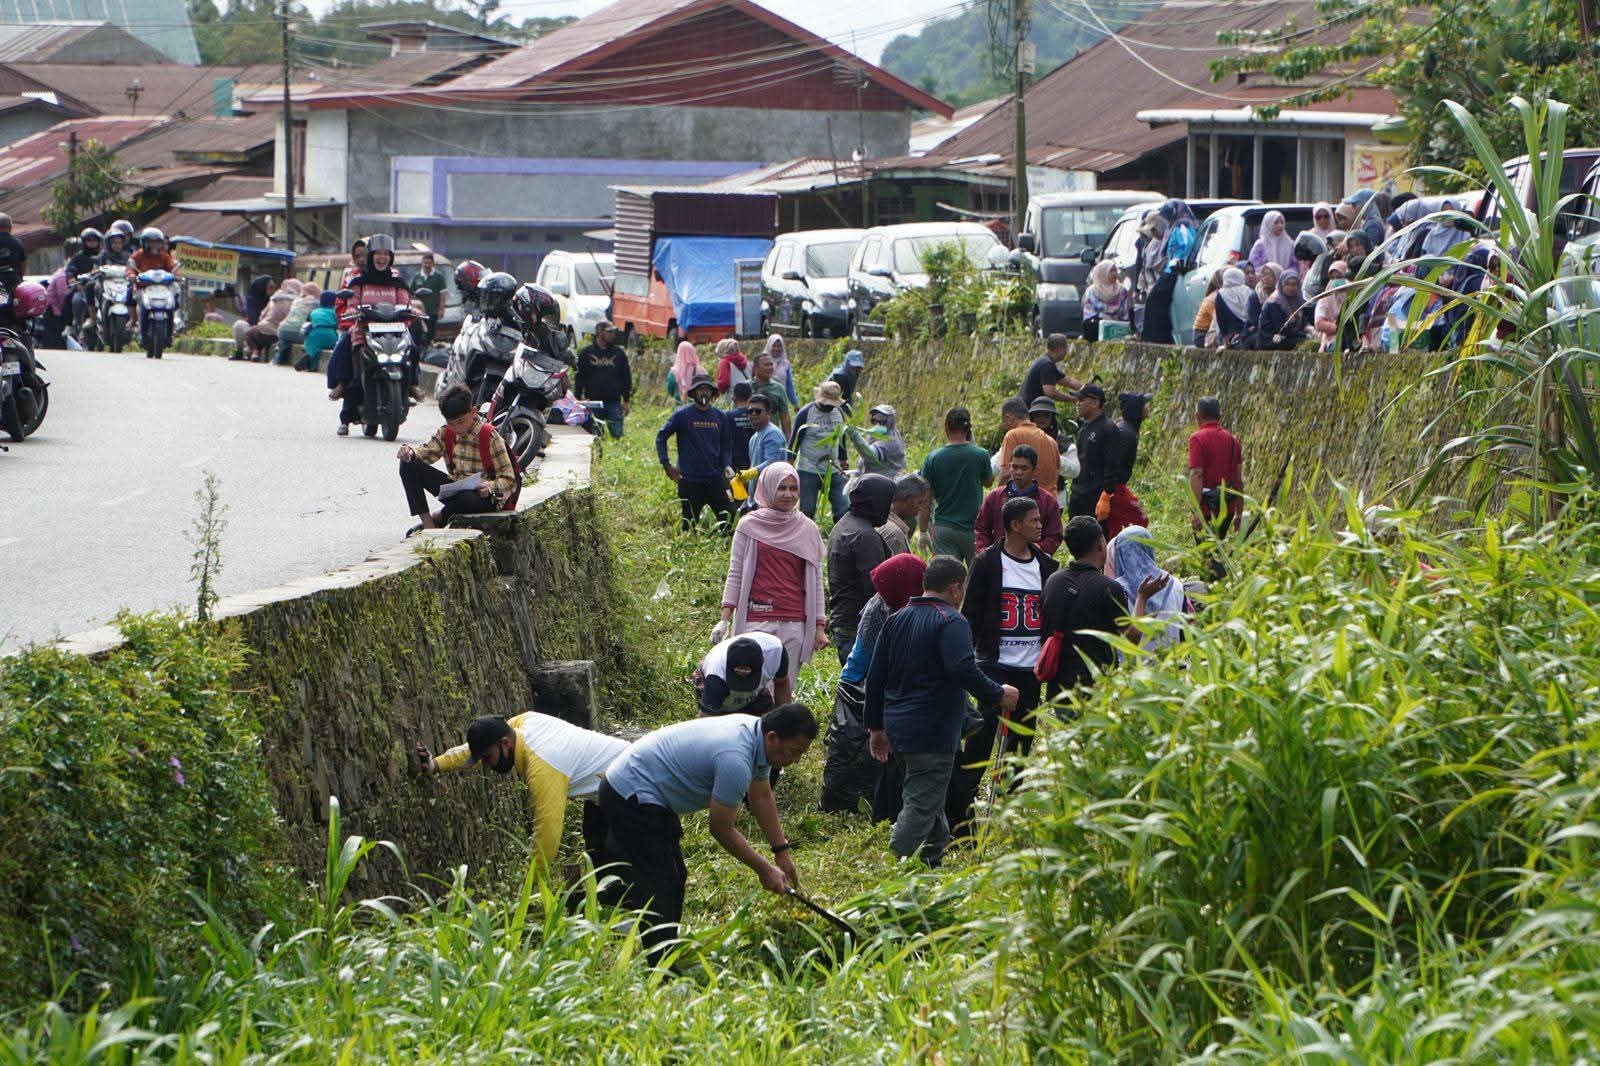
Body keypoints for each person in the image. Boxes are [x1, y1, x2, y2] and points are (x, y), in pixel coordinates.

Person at [598, 705, 816, 963]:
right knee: (662, 880)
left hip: (647, 793)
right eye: (795, 752)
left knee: (674, 875)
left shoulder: (757, 736)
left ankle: (663, 948)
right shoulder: (736, 757)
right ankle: (660, 965)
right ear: (773, 738)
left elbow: (761, 794)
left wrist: (781, 851)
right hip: (629, 793)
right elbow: (721, 828)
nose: (796, 760)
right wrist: (764, 869)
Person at [865, 556, 1019, 865]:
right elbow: (962, 668)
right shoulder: (951, 621)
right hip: (932, 730)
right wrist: (997, 693)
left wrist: (876, 728)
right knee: (921, 805)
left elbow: (876, 677)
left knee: (928, 799)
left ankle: (931, 865)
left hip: (899, 727)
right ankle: (892, 870)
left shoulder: (896, 619)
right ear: (956, 589)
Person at [952, 495, 1059, 833]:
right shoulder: (986, 562)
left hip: (1030, 669)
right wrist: (968, 656)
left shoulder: (1046, 566)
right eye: (1033, 520)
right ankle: (962, 813)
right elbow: (970, 613)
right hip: (993, 664)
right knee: (981, 738)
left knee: (1021, 741)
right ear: (1014, 525)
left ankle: (1009, 809)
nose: (1040, 526)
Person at [413, 711, 628, 873]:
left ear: (506, 744)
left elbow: (547, 837)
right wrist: (436, 765)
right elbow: (477, 749)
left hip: (632, 787)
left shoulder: (543, 766)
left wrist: (529, 892)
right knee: (598, 851)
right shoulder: (521, 725)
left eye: (487, 758)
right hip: (606, 788)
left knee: (621, 859)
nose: (486, 765)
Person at [822, 553, 927, 814]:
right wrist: (848, 694)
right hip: (876, 691)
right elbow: (861, 658)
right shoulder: (879, 609)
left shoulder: (926, 613)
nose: (881, 595)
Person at [717, 462, 826, 683]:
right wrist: (725, 619)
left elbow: (816, 581)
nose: (788, 494)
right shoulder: (748, 526)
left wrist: (819, 627)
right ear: (767, 487)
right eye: (781, 487)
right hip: (756, 619)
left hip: (795, 623)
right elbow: (736, 571)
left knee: (784, 690)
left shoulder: (808, 529)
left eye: (793, 488)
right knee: (754, 690)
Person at [1039, 516, 1169, 700]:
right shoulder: (1109, 587)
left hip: (1061, 688)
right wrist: (1141, 598)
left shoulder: (1053, 581)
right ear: (1100, 542)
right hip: (1098, 688)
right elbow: (1132, 637)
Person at [397, 383, 515, 533]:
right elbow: (426, 451)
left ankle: (442, 516)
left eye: (460, 421)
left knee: (467, 498)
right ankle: (428, 525)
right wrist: (410, 452)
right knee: (408, 464)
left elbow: (509, 480)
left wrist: (490, 487)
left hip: (482, 497)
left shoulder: (490, 437)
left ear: (473, 412)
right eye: (451, 423)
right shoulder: (446, 433)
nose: (457, 428)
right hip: (454, 490)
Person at [825, 473, 894, 663]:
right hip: (860, 627)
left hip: (844, 622)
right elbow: (877, 586)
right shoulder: (864, 535)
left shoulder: (844, 523)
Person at [655, 371, 733, 529]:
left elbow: (725, 446)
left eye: (707, 389)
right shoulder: (682, 415)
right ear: (693, 393)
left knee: (728, 523)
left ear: (712, 393)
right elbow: (661, 437)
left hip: (716, 480)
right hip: (690, 481)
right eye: (700, 389)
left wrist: (726, 465)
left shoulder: (721, 417)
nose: (704, 392)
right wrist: (666, 465)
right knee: (689, 527)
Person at [918, 406, 994, 564]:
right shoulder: (981, 455)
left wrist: (923, 530)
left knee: (947, 580)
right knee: (975, 581)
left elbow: (926, 500)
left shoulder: (932, 458)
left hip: (944, 528)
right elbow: (988, 482)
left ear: (946, 427)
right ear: (969, 429)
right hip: (973, 529)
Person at [1108, 526, 1189, 652]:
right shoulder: (1175, 584)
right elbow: (1184, 631)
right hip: (1171, 664)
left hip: (1134, 669)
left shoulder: (1115, 588)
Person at [975, 445, 1063, 556]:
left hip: (1032, 564)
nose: (1018, 472)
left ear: (1035, 470)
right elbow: (981, 529)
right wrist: (984, 553)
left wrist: (1038, 549)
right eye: (1014, 467)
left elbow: (1055, 535)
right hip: (998, 561)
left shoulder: (1048, 501)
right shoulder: (995, 497)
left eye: (1024, 468)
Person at [790, 379, 850, 522]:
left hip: (833, 469)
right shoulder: (806, 413)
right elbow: (794, 441)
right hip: (808, 469)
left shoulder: (839, 413)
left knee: (843, 509)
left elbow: (841, 438)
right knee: (807, 513)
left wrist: (843, 459)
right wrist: (789, 464)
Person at [1141, 199, 1198, 345]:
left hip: (1174, 270)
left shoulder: (1182, 224)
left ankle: (1155, 338)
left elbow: (1187, 245)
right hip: (1171, 269)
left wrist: (1179, 261)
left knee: (1155, 301)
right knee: (1156, 302)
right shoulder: (1175, 226)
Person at [1188, 396, 1244, 541]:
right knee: (1216, 551)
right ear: (1219, 416)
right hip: (1228, 508)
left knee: (1205, 556)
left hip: (1206, 509)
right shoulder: (1233, 441)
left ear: (1197, 416)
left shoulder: (1197, 438)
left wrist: (1195, 511)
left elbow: (1197, 474)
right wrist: (1239, 513)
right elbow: (1238, 479)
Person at [696, 632, 793, 716]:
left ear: (763, 661)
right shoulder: (716, 676)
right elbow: (706, 718)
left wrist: (784, 720)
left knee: (768, 725)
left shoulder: (776, 653)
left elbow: (782, 683)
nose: (743, 691)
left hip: (756, 696)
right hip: (717, 689)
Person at [574, 320, 632, 438]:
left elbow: (626, 377)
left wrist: (626, 400)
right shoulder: (586, 353)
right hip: (593, 403)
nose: (613, 335)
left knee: (618, 438)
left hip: (614, 403)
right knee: (594, 438)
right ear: (600, 333)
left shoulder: (619, 353)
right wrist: (577, 398)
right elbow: (579, 377)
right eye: (610, 332)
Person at [1066, 384, 1116, 520]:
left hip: (1094, 498)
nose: (1077, 403)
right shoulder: (1084, 427)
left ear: (1095, 402)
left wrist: (1106, 497)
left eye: (1081, 400)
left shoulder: (1108, 429)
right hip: (1078, 494)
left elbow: (1112, 466)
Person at [324, 238, 367, 392]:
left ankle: (411, 384)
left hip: (385, 325)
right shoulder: (350, 277)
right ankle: (341, 383)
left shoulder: (393, 275)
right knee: (344, 344)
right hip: (357, 325)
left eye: (365, 254)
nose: (362, 259)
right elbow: (340, 305)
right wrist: (350, 320)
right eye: (358, 256)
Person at [997, 395, 1060, 497]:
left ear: (1008, 417)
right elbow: (1056, 472)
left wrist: (997, 497)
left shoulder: (1012, 435)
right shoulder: (1051, 441)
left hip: (1025, 502)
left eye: (1003, 420)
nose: (1004, 425)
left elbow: (1006, 473)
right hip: (1050, 501)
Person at [846, 403, 906, 478]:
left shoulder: (891, 440)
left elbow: (870, 455)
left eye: (882, 420)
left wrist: (855, 435)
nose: (877, 424)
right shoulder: (877, 435)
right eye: (874, 420)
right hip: (870, 478)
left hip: (885, 482)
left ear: (890, 421)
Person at [1020, 333, 1083, 405]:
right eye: (1066, 348)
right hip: (1027, 409)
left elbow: (1069, 382)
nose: (1066, 352)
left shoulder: (1044, 360)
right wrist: (1073, 399)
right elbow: (1050, 393)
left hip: (1026, 406)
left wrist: (1087, 389)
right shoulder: (1047, 364)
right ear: (1060, 349)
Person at [1255, 270, 1310, 350]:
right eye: (1287, 284)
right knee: (1304, 342)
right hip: (1271, 339)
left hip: (1287, 337)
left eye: (1294, 284)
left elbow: (1303, 321)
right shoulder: (1274, 303)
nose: (1291, 288)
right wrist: (1304, 335)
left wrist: (1309, 329)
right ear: (1281, 285)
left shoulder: (1297, 301)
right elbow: (1281, 328)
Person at [879, 472, 927, 556]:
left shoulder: (879, 519)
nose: (921, 508)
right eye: (920, 502)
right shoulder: (896, 536)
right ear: (908, 500)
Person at [1081, 260, 1131, 341]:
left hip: (1117, 327)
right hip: (1097, 326)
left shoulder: (1122, 291)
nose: (1115, 273)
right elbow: (1088, 314)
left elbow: (1125, 314)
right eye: (1111, 271)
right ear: (1103, 273)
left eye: (1115, 270)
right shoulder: (1092, 291)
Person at [275, 281, 320, 366]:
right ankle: (307, 358)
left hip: (282, 330)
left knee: (285, 338)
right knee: (311, 338)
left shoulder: (296, 300)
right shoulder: (315, 302)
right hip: (297, 331)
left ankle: (278, 358)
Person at [67, 227, 101, 335]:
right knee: (77, 300)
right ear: (84, 242)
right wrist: (76, 284)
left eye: (94, 240)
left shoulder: (102, 256)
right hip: (82, 289)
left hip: (102, 288)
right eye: (89, 240)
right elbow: (70, 273)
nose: (92, 242)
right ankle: (78, 328)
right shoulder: (77, 258)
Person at [749, 350, 792, 437]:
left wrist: (788, 442)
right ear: (756, 368)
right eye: (766, 365)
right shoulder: (746, 387)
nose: (770, 367)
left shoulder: (778, 388)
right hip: (748, 438)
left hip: (771, 437)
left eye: (771, 364)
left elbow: (785, 417)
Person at [744, 393, 786, 474]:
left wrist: (751, 472)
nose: (753, 413)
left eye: (758, 411)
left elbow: (772, 464)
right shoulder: (754, 437)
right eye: (750, 411)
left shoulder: (772, 433)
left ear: (768, 414)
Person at [409, 252, 446, 344]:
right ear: (422, 263)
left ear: (433, 263)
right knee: (418, 335)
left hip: (433, 311)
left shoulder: (439, 277)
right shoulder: (417, 277)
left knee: (430, 334)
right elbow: (411, 294)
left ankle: (428, 351)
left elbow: (443, 294)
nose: (427, 265)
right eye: (425, 263)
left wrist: (441, 309)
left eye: (429, 263)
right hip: (418, 313)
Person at [1314, 261, 1351, 352]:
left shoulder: (1353, 294)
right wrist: (1340, 328)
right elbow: (1319, 323)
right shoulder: (1325, 298)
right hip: (1331, 340)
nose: (1335, 281)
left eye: (1339, 277)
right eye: (1332, 278)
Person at [1214, 267, 1253, 348]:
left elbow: (1221, 320)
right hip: (1250, 334)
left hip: (1234, 338)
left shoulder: (1221, 294)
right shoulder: (1248, 291)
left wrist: (1225, 342)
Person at [300, 293, 338, 372]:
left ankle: (311, 363)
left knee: (311, 347)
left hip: (315, 333)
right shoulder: (335, 312)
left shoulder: (314, 312)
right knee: (333, 345)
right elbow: (338, 325)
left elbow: (306, 325)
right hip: (330, 335)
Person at [764, 333, 800, 408]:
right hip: (765, 402)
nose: (776, 349)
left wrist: (795, 404)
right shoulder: (763, 361)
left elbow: (789, 386)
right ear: (769, 346)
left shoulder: (785, 364)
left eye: (779, 346)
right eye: (774, 346)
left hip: (781, 402)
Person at [726, 381, 755, 463]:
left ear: (734, 397)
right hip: (753, 457)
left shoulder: (728, 415)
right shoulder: (757, 413)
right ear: (751, 396)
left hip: (734, 460)